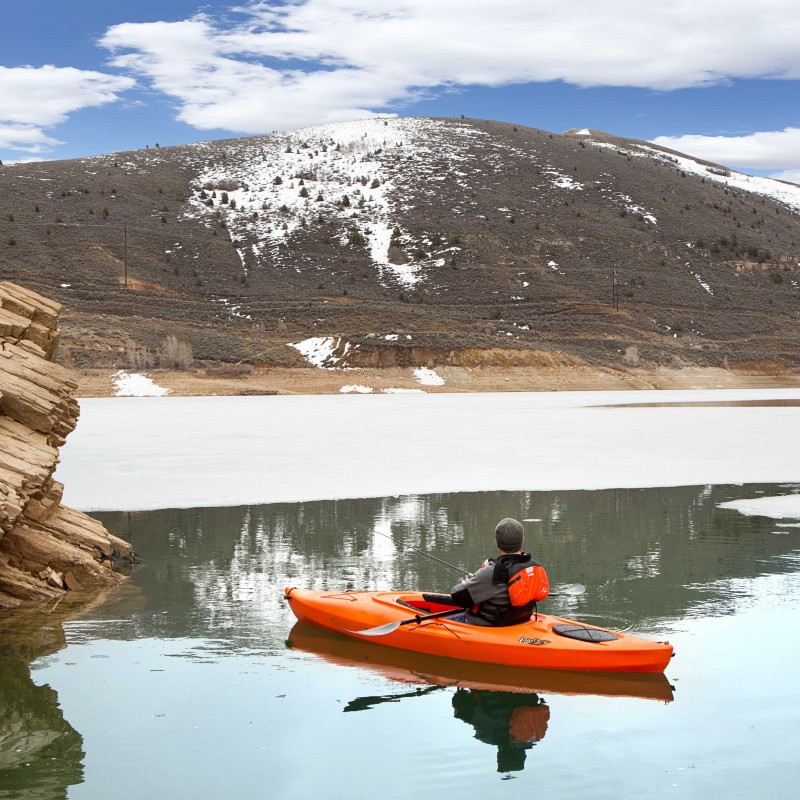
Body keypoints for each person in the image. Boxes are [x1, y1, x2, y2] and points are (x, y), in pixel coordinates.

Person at [427, 518, 547, 626]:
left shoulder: (492, 572)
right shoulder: (533, 566)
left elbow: (457, 597)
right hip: (519, 620)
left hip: (488, 624)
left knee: (435, 626)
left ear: (497, 543)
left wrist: (467, 582)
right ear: (521, 541)